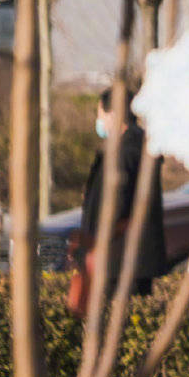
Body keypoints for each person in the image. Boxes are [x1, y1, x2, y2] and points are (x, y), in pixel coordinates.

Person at [74, 85, 167, 306]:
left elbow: (117, 205)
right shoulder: (137, 146)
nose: (100, 122)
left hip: (120, 258)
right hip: (126, 258)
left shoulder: (126, 151)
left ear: (114, 114)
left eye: (101, 115)